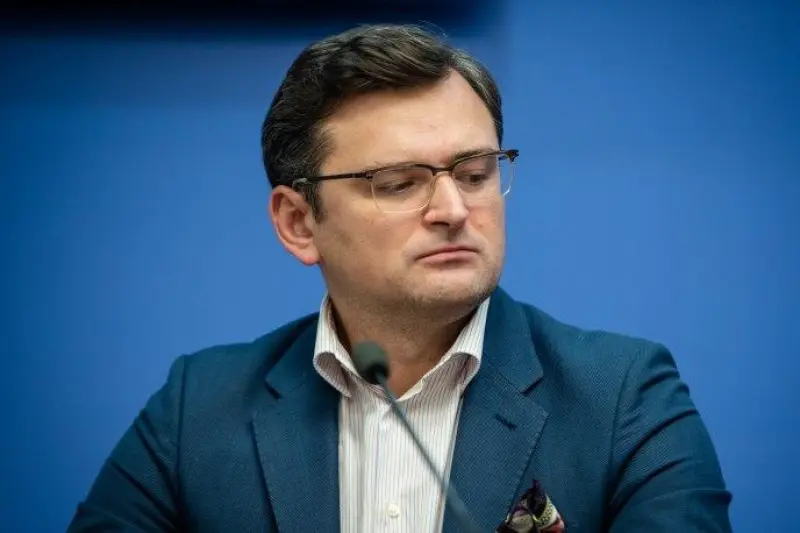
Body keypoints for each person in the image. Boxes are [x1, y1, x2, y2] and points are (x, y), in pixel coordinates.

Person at [67, 23, 732, 533]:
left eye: (475, 173)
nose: (453, 209)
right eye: (398, 183)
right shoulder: (197, 411)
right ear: (299, 222)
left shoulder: (623, 399)